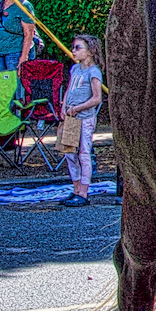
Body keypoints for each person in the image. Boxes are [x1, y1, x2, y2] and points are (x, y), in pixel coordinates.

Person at [60, 34, 103, 207]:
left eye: (78, 48)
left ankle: (84, 191)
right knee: (69, 153)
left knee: (84, 153)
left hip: (84, 118)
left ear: (90, 51)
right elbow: (69, 88)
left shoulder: (94, 72)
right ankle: (76, 188)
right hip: (71, 118)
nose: (74, 51)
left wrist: (77, 108)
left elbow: (96, 98)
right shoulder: (75, 69)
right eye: (73, 48)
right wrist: (64, 106)